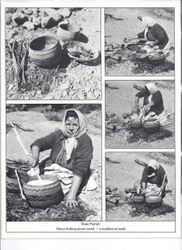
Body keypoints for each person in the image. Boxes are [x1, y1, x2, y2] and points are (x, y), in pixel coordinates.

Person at [28, 109, 93, 208]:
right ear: (64, 123)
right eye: (68, 124)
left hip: (71, 174)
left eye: (75, 125)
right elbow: (39, 143)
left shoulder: (85, 141)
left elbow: (80, 170)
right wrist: (35, 157)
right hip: (54, 168)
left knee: (53, 191)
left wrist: (72, 195)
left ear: (80, 125)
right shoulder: (59, 134)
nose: (71, 128)